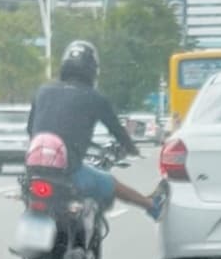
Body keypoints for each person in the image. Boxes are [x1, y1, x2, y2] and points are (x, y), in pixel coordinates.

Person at [27, 40, 167, 220]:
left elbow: (31, 129)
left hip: (33, 173)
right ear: (92, 70)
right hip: (69, 174)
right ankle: (152, 206)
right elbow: (117, 130)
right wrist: (132, 149)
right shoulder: (95, 98)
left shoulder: (43, 91)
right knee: (112, 184)